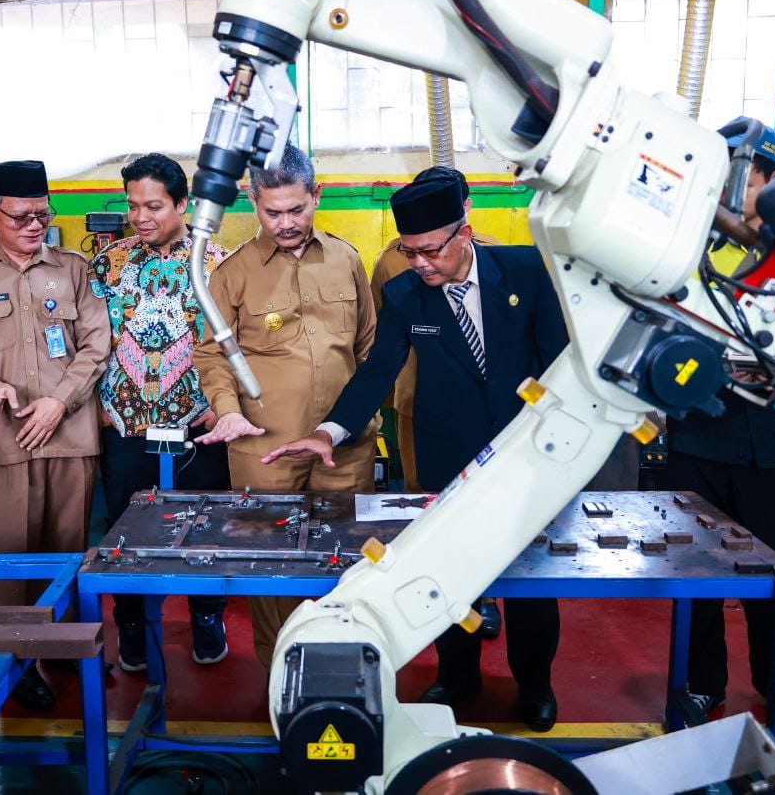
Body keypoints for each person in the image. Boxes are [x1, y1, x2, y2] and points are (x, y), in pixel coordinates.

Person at [261, 171, 569, 732]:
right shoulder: (403, 294)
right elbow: (377, 370)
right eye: (410, 251)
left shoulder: (525, 270)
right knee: (449, 569)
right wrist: (330, 430)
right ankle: (458, 675)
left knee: (529, 580)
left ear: (465, 233)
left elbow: (557, 357)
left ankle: (536, 682)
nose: (421, 264)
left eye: (430, 251)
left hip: (527, 451)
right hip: (446, 450)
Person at [657, 119, 775, 746]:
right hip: (698, 436)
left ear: (772, 179)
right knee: (696, 569)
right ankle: (703, 682)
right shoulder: (691, 243)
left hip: (771, 445)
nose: (725, 189)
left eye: (740, 176)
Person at [193, 143, 379, 668]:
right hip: (264, 447)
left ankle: (343, 661)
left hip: (344, 448)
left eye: (296, 209)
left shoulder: (346, 259)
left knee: (345, 557)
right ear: (252, 202)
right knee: (270, 565)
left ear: (317, 195)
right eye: (272, 212)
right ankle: (280, 670)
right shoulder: (231, 273)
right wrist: (226, 408)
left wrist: (368, 419)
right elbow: (211, 353)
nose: (285, 223)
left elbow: (367, 346)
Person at [0, 160, 111, 709]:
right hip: (4, 440)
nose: (36, 226)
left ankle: (65, 646)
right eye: (21, 217)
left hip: (70, 435)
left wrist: (59, 403)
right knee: (10, 557)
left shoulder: (73, 269)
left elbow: (95, 343)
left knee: (68, 551)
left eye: (43, 214)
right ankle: (18, 659)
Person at [93, 153, 231, 670]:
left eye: (154, 205)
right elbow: (91, 342)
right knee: (126, 525)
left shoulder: (217, 262)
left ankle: (206, 617)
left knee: (202, 523)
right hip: (125, 423)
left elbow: (235, 341)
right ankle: (131, 624)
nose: (141, 216)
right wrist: (99, 404)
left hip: (195, 423)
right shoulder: (108, 263)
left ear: (183, 203)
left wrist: (223, 405)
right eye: (133, 206)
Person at [369, 165, 503, 640]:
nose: (421, 260)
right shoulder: (392, 264)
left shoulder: (497, 261)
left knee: (502, 515)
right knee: (433, 514)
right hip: (418, 406)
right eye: (414, 251)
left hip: (493, 416)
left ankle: (492, 591)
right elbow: (380, 345)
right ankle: (453, 609)